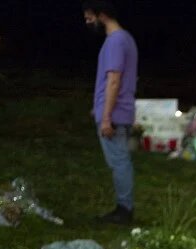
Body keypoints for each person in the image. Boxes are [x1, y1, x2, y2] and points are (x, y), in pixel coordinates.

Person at [84, 1, 138, 225]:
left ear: (102, 14)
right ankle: (124, 207)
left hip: (114, 115)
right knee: (120, 160)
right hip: (118, 111)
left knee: (119, 162)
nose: (87, 22)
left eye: (90, 17)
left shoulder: (116, 41)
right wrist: (98, 108)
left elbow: (114, 81)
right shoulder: (124, 39)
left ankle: (124, 210)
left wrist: (106, 116)